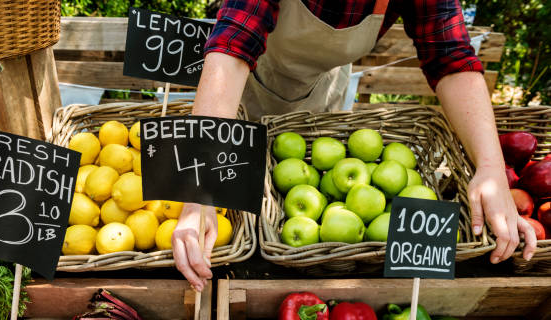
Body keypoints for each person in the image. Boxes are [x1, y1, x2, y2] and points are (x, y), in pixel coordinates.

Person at [171, 0, 538, 290]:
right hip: (244, 87)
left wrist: (491, 170)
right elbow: (235, 41)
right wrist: (201, 188)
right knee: (248, 222)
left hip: (322, 89)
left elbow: (451, 57)